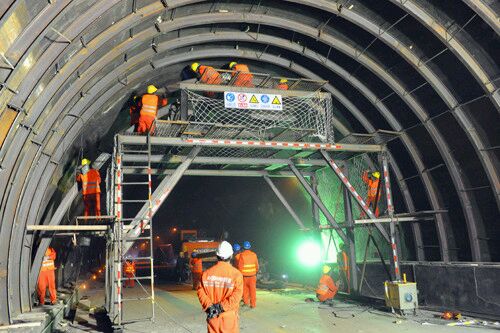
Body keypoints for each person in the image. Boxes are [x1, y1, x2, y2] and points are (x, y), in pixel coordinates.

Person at [197, 241, 243, 333]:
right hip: (228, 317)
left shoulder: (206, 274)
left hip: (212, 317)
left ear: (216, 256)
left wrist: (210, 306)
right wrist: (220, 307)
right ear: (231, 256)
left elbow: (200, 292)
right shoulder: (236, 274)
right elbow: (236, 297)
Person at [237, 241, 259, 308]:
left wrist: (239, 275)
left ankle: (246, 302)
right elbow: (257, 265)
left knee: (245, 290)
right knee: (253, 290)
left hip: (244, 276)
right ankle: (253, 304)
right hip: (253, 276)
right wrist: (256, 272)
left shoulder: (242, 255)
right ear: (250, 247)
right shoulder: (254, 255)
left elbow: (240, 267)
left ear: (243, 247)